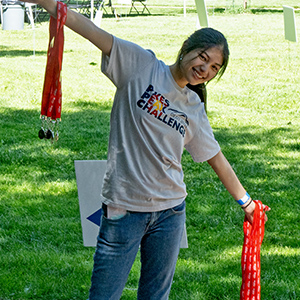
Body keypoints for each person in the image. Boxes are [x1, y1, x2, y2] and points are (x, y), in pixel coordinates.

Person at [22, 1, 270, 299]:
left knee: (155, 296)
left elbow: (215, 157)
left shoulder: (193, 107)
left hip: (170, 212)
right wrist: (48, 4)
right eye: (203, 58)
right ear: (186, 49)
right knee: (104, 295)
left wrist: (246, 203)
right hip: (123, 210)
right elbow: (91, 30)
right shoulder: (140, 65)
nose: (206, 69)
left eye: (215, 67)